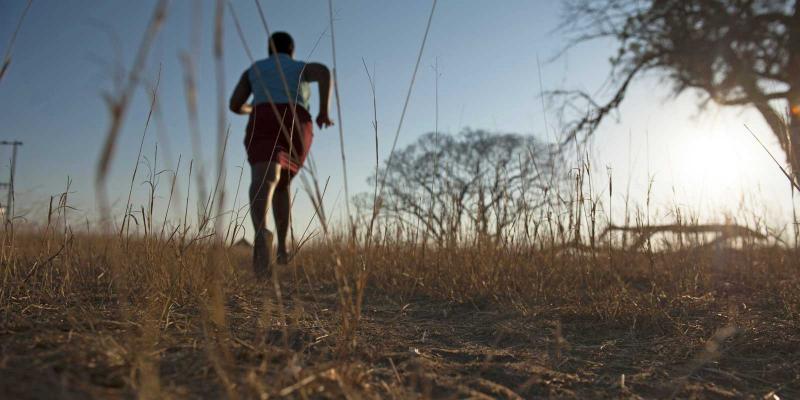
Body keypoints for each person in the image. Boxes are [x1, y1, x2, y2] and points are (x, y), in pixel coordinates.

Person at [229, 31, 333, 278]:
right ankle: (283, 246)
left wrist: (252, 108)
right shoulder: (298, 67)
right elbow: (323, 72)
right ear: (292, 49)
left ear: (269, 50)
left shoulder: (254, 69)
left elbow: (234, 104)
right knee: (283, 183)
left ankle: (261, 232)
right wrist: (323, 111)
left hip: (264, 116)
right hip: (295, 120)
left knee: (264, 177)